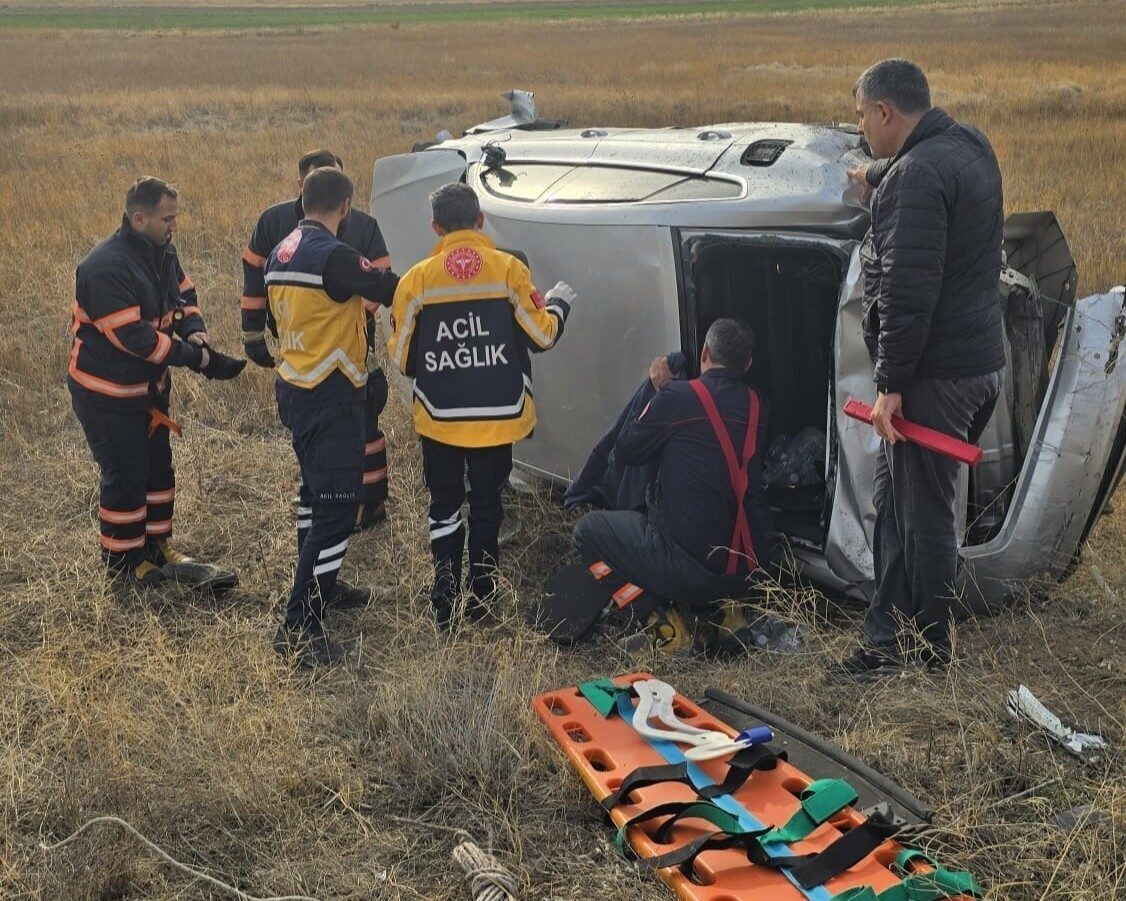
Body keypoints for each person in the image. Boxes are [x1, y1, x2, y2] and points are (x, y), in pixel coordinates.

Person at [839, 59, 1005, 677]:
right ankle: (888, 635)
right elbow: (913, 170)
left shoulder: (915, 177)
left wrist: (890, 386)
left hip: (933, 378)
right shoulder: (968, 145)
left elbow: (907, 297)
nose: (861, 128)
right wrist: (873, 174)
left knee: (925, 517)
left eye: (863, 117)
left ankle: (929, 650)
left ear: (885, 111)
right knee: (898, 503)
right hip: (978, 366)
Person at [388, 182, 575, 628]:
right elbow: (542, 336)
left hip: (440, 418)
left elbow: (403, 360)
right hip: (498, 417)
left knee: (444, 504)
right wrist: (558, 306)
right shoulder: (510, 270)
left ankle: (444, 594)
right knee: (487, 504)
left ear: (435, 227)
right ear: (480, 220)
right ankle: (483, 596)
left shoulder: (416, 279)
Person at [69, 177, 246, 589]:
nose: (174, 225)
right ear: (139, 218)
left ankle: (156, 546)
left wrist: (195, 331)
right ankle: (124, 561)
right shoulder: (104, 268)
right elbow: (137, 340)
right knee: (125, 474)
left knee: (157, 469)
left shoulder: (162, 251)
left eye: (175, 217)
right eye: (167, 219)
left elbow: (184, 295)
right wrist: (199, 359)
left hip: (149, 391)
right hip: (108, 394)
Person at [571, 319, 779, 653]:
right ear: (748, 364)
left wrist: (657, 391)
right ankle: (729, 614)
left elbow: (624, 452)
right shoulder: (758, 405)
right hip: (744, 571)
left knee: (586, 533)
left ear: (705, 353)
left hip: (685, 570)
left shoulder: (677, 397)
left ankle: (659, 620)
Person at [266, 167, 400, 667]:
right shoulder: (336, 255)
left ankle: (325, 585)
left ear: (302, 199)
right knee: (338, 508)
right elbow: (389, 287)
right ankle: (299, 624)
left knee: (313, 495)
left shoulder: (282, 250)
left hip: (296, 386)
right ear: (345, 207)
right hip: (332, 393)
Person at [241, 149, 394, 533]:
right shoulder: (288, 230)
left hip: (327, 356)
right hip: (317, 362)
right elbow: (255, 275)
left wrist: (352, 312)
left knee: (361, 425)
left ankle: (368, 501)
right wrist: (253, 331)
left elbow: (379, 274)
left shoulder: (350, 229)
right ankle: (327, 505)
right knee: (327, 451)